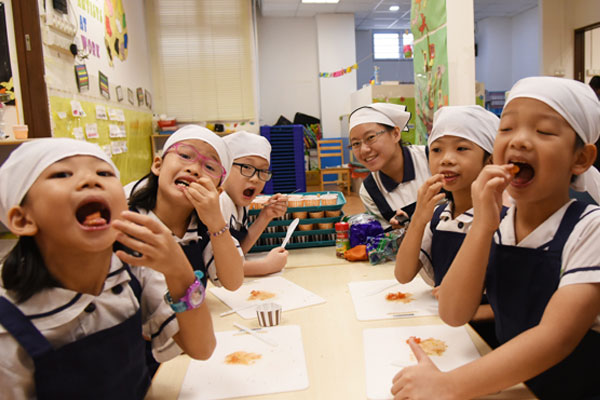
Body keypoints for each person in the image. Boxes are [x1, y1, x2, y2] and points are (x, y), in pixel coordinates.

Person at [391, 77, 600, 400]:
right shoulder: (498, 225)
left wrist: (448, 385)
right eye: (507, 128)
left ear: (581, 158)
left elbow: (556, 337)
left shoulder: (590, 228)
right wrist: (483, 225)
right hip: (517, 387)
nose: (520, 141)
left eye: (543, 131)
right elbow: (453, 312)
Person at [0, 138, 216, 399]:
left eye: (103, 173)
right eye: (62, 174)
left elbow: (202, 348)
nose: (91, 181)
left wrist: (180, 271)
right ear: (22, 219)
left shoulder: (133, 270)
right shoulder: (9, 327)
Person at [394, 105, 499, 347]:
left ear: (490, 160)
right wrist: (419, 217)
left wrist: (466, 312)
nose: (446, 159)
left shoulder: (502, 219)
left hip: (488, 338)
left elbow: (523, 302)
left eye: (462, 148)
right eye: (436, 150)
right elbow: (403, 274)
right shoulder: (440, 215)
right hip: (445, 332)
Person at [127, 125, 244, 291]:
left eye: (210, 167)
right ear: (158, 165)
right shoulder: (128, 222)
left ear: (217, 192)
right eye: (185, 155)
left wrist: (216, 223)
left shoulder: (206, 229)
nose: (194, 169)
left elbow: (233, 282)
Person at [349, 103, 430, 231]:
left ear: (396, 134)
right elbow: (389, 242)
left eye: (370, 137)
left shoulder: (429, 159)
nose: (364, 150)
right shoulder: (370, 190)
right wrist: (396, 231)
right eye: (356, 143)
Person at [221, 131, 289, 276]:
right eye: (246, 167)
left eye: (263, 170)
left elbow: (238, 251)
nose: (255, 179)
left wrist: (266, 215)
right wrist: (266, 266)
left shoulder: (240, 204)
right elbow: (220, 267)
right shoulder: (220, 201)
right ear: (224, 167)